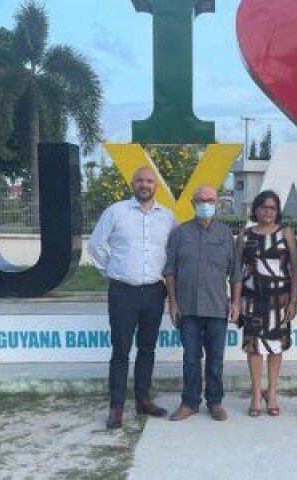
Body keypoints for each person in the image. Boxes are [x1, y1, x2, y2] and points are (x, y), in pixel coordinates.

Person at [88, 166, 177, 430]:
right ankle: (116, 408)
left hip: (154, 291)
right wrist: (113, 271)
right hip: (122, 291)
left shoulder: (168, 218)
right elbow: (96, 245)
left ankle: (143, 400)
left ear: (156, 186)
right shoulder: (115, 212)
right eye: (140, 180)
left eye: (150, 180)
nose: (144, 184)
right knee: (121, 351)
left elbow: (173, 252)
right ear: (132, 182)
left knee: (147, 349)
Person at [164, 185, 242, 422]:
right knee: (190, 358)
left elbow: (236, 273)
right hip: (188, 308)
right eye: (200, 200)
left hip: (218, 307)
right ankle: (189, 402)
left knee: (216, 358)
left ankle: (215, 402)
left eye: (210, 200)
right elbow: (170, 271)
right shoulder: (180, 233)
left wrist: (236, 303)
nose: (205, 204)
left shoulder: (225, 234)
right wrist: (173, 303)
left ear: (217, 204)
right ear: (192, 203)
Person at [236, 190, 297, 417]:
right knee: (254, 348)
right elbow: (237, 272)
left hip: (279, 300)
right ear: (256, 209)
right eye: (263, 207)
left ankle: (271, 394)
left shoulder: (286, 233)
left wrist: (294, 300)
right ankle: (255, 395)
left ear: (277, 210)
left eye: (272, 207)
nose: (268, 211)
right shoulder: (245, 235)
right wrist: (236, 302)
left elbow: (295, 269)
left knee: (275, 347)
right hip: (252, 299)